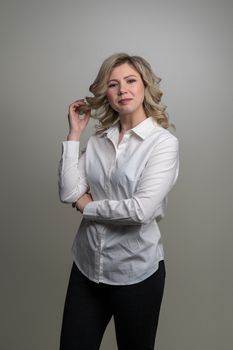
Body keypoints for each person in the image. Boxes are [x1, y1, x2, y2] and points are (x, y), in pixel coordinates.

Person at [58, 53, 179, 350]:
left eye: (130, 81)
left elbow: (140, 211)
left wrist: (88, 206)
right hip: (87, 268)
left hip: (136, 273)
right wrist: (74, 135)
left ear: (144, 86)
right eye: (113, 84)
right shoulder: (99, 141)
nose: (122, 89)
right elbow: (68, 192)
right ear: (106, 94)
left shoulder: (163, 144)